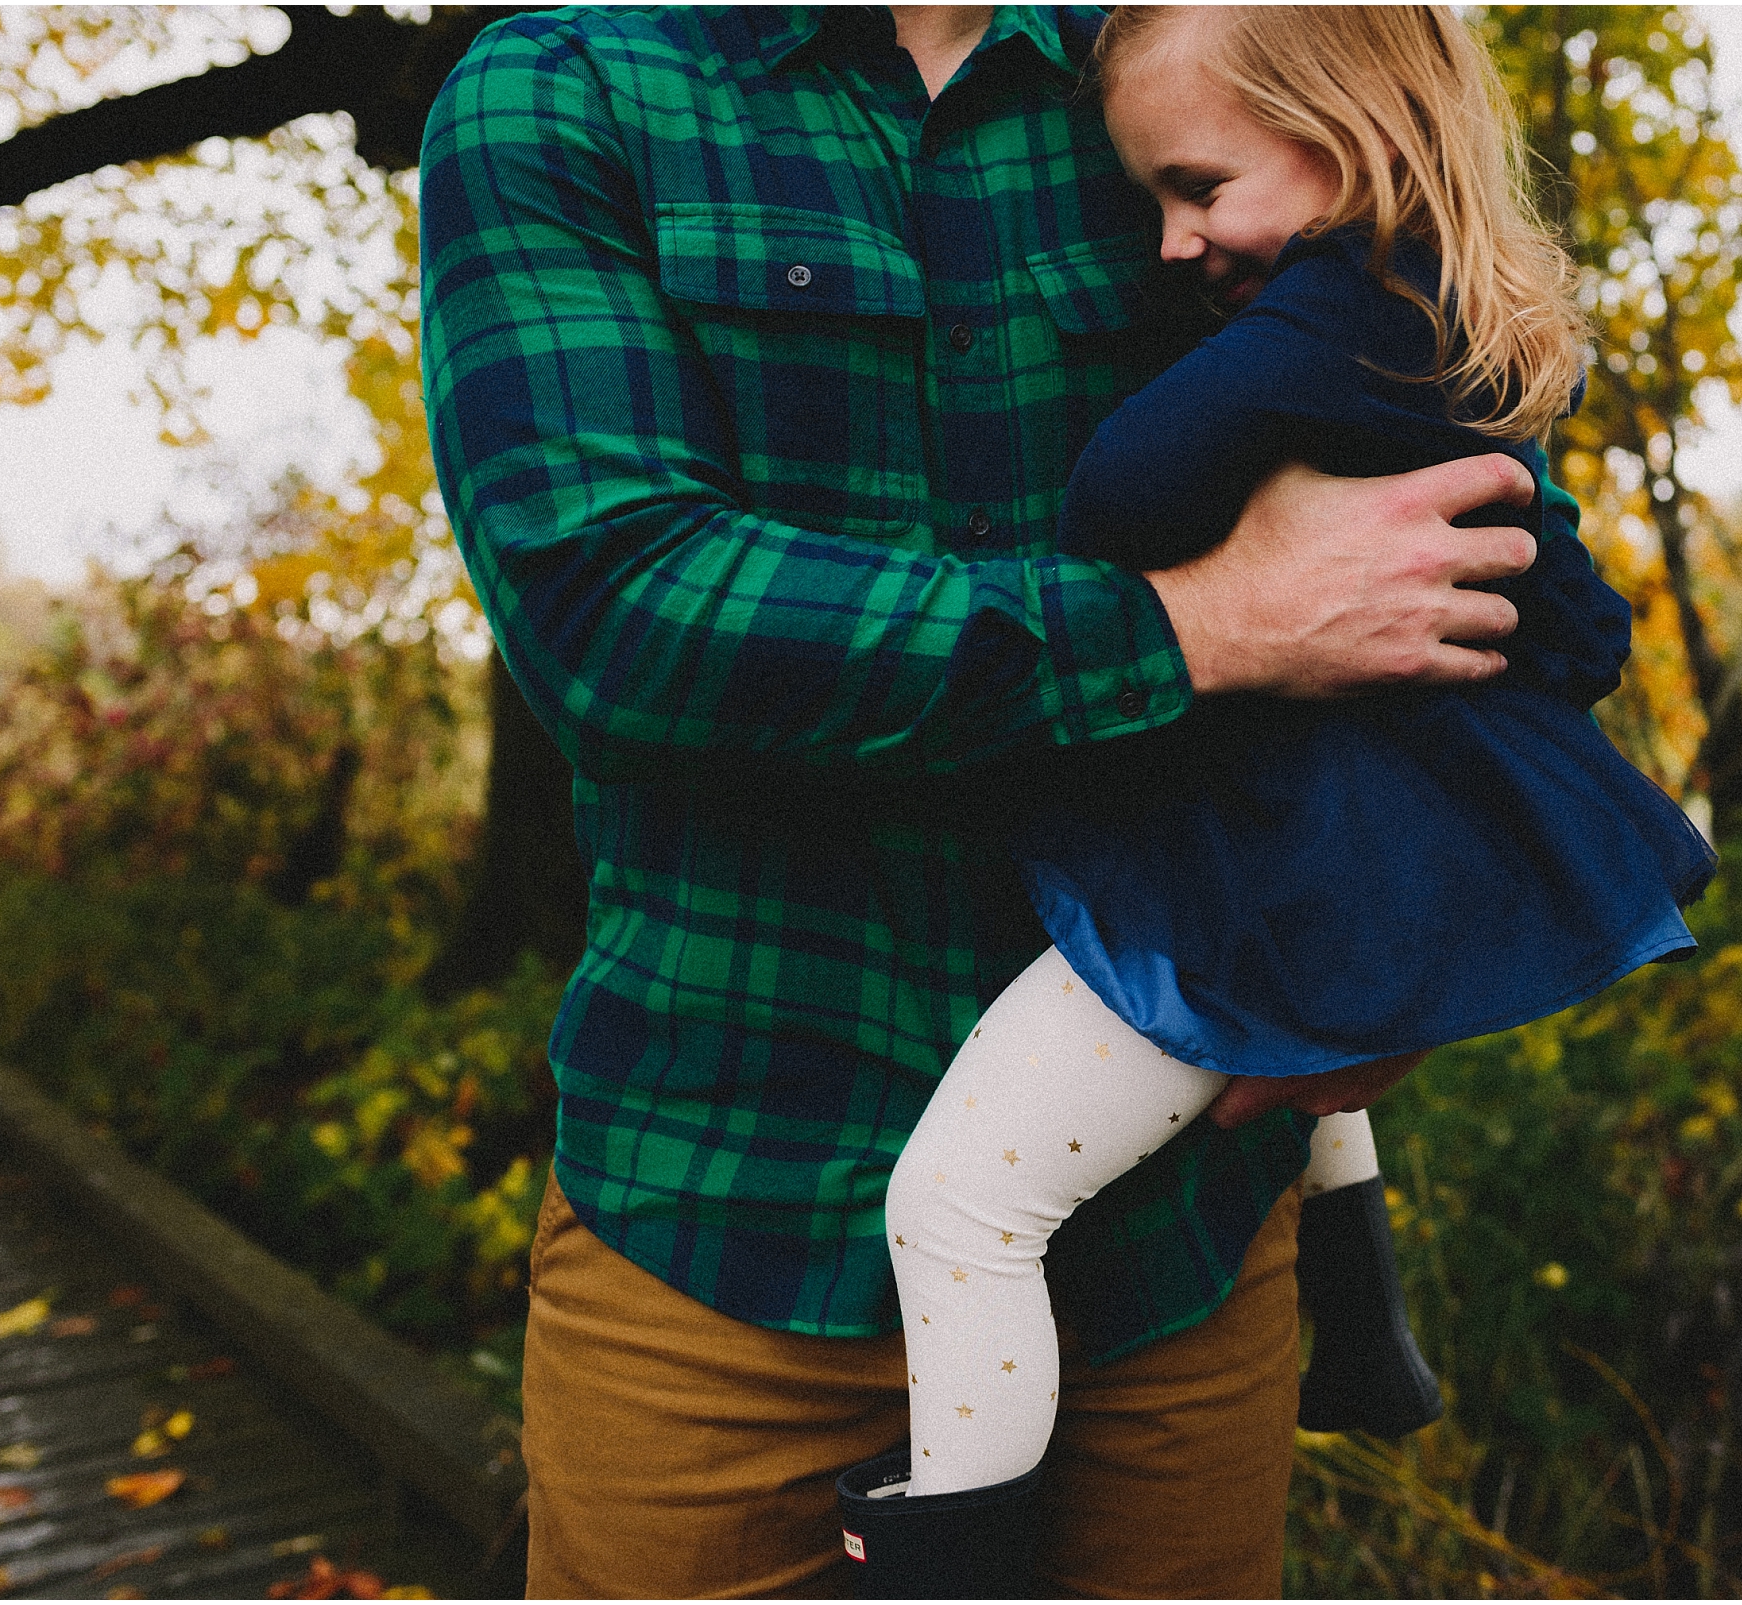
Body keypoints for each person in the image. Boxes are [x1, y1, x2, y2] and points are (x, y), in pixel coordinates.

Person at [419, 5, 1604, 1597]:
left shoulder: (1185, 63)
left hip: (1175, 1240)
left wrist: (1402, 949)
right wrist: (1207, 625)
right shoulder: (567, 92)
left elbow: (1465, 499)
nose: (1190, 232)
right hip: (724, 1206)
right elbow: (617, 614)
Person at [836, 6, 1716, 1589]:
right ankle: (1364, 1332)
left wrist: (1233, 487)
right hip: (1357, 857)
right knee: (1294, 1034)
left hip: (1282, 857)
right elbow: (1580, 618)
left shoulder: (1328, 319)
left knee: (964, 1198)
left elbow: (1125, 488)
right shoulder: (1446, 311)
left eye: (1196, 187)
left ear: (1350, 134)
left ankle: (954, 1533)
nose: (1173, 243)